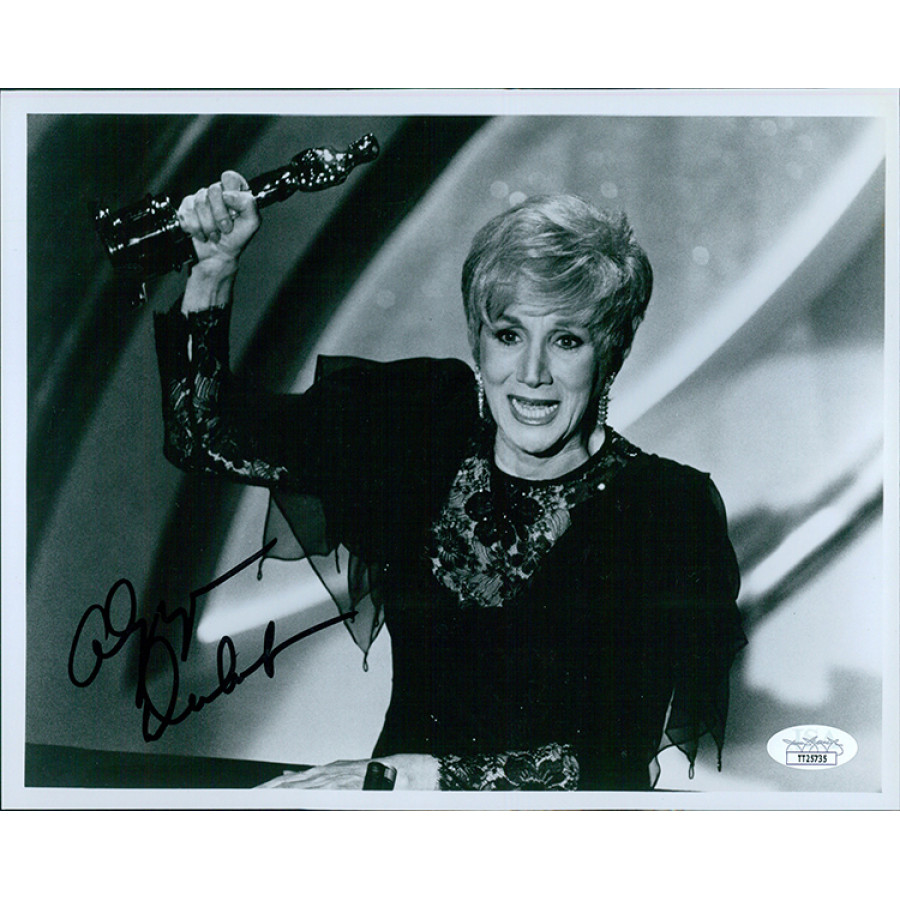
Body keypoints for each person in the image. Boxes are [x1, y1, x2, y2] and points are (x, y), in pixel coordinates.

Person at [153, 169, 747, 791]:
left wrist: (417, 778)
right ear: (478, 342)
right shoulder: (420, 432)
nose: (532, 372)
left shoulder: (663, 509)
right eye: (509, 335)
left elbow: (613, 761)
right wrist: (214, 270)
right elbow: (204, 439)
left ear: (612, 353)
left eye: (567, 340)